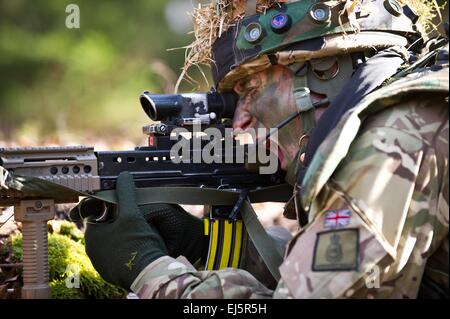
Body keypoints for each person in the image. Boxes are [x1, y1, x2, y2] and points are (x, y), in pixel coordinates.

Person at [76, 0, 449, 298]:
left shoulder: (392, 142)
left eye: (251, 90)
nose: (238, 122)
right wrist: (202, 245)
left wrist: (151, 272)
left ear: (324, 72)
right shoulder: (411, 116)